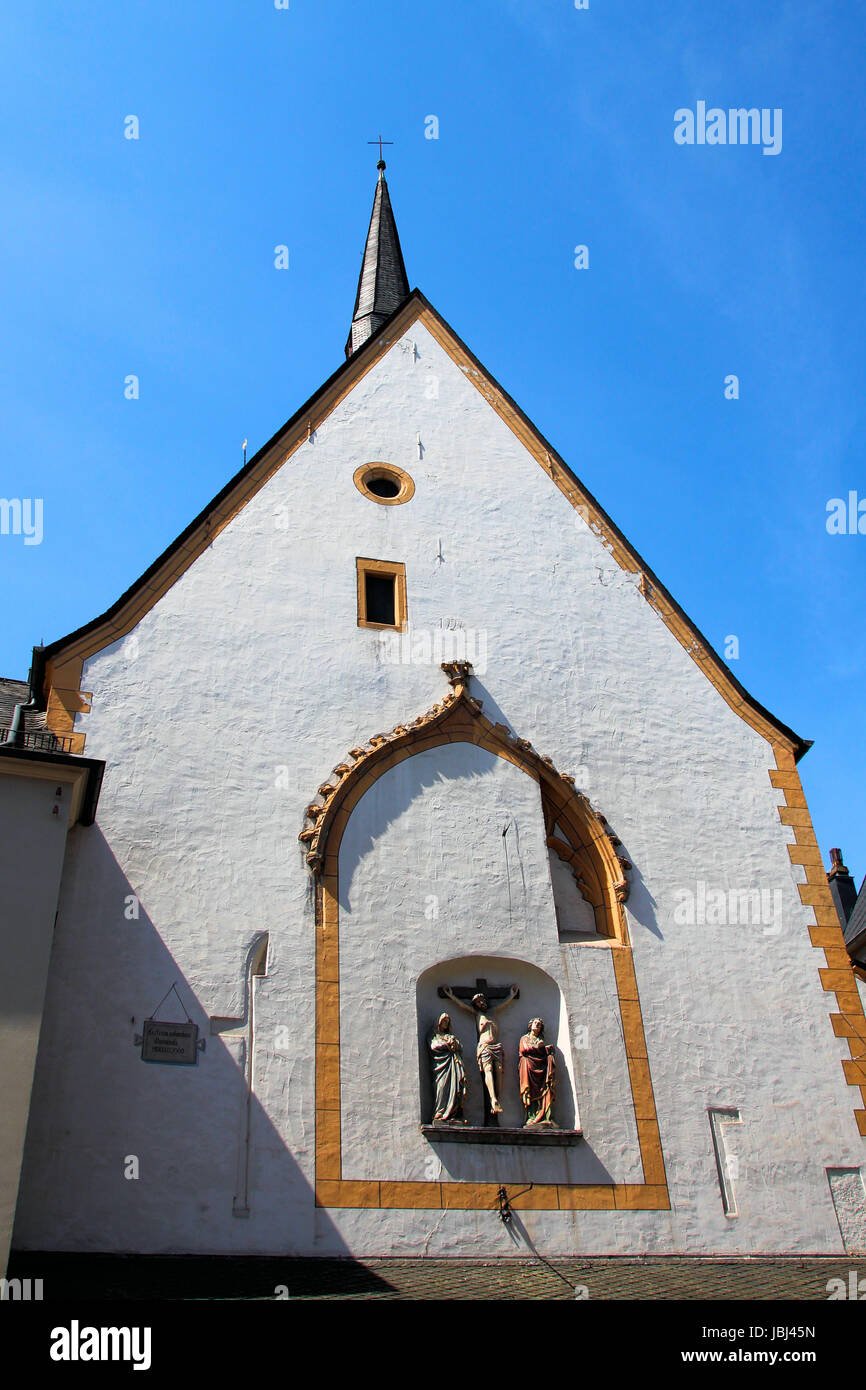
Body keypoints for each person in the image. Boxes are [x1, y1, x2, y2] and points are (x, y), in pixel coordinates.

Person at [442, 985, 518, 1118]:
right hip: (485, 1046)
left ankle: (496, 1099)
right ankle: (493, 1097)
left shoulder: (493, 1011)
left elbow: (504, 1004)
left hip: (496, 1046)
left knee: (499, 1071)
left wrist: (511, 995)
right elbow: (462, 1006)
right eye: (478, 1002)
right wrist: (451, 996)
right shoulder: (477, 1014)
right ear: (475, 1005)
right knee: (488, 1070)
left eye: (482, 1000)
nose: (481, 1003)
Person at [429, 1013, 467, 1124]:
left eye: (447, 1021)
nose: (445, 1023)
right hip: (441, 1067)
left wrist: (455, 1043)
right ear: (439, 1022)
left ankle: (454, 1113)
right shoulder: (434, 1035)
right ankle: (440, 1111)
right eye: (444, 1021)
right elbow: (433, 1046)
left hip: (453, 1064)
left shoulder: (450, 1036)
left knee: (456, 1087)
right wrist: (447, 1044)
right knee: (441, 1086)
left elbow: (460, 1047)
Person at [518, 1017, 556, 1126]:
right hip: (528, 1067)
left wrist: (545, 1050)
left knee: (544, 1089)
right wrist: (539, 1048)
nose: (537, 1025)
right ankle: (531, 1116)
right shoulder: (524, 1038)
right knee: (529, 1090)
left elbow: (543, 1052)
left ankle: (544, 1115)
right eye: (535, 1023)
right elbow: (524, 1050)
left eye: (539, 1024)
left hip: (542, 1067)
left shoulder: (540, 1041)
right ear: (530, 1025)